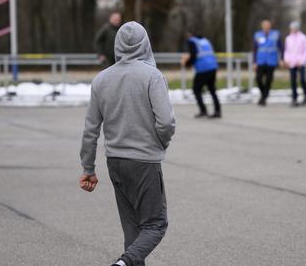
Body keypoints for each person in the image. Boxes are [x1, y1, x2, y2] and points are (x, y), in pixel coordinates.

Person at [80, 21, 176, 266]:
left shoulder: (102, 80)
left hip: (115, 162)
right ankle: (123, 264)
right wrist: (160, 144)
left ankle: (127, 261)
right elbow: (165, 122)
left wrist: (88, 169)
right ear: (146, 44)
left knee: (133, 231)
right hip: (144, 161)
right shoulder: (153, 77)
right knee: (155, 224)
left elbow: (90, 130)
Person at [182, 31, 221, 118]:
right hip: (213, 67)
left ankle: (203, 110)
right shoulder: (205, 41)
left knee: (196, 89)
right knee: (212, 89)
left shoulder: (191, 41)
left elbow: (193, 55)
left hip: (203, 69)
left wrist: (186, 64)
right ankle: (218, 111)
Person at [252, 19, 283, 106]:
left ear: (270, 25)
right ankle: (264, 94)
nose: (266, 26)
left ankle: (263, 98)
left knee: (269, 80)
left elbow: (281, 47)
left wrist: (281, 59)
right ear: (262, 26)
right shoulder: (257, 35)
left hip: (271, 60)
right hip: (260, 60)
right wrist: (254, 62)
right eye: (264, 25)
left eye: (267, 25)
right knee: (258, 79)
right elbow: (255, 49)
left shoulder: (276, 34)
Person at [282, 21, 306, 107]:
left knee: (302, 79)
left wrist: (302, 61)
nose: (293, 29)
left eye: (295, 28)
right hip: (292, 63)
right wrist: (286, 60)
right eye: (292, 28)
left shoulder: (303, 38)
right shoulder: (288, 38)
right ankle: (294, 98)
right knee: (293, 81)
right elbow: (286, 50)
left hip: (300, 63)